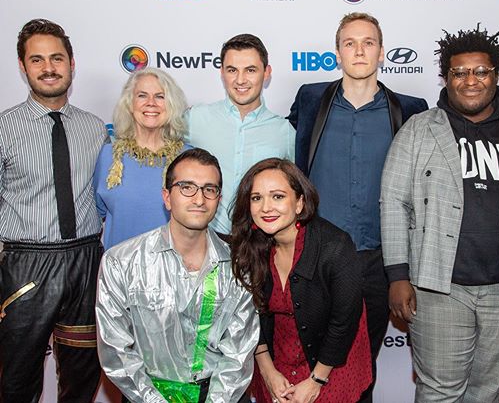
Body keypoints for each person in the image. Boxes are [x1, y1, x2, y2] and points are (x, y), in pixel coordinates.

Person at [287, 12, 499, 400]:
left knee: (362, 367)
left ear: (382, 52)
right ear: (336, 52)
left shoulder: (410, 109)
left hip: (377, 258)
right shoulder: (310, 98)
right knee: (309, 359)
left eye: (369, 42)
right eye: (350, 43)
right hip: (318, 254)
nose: (359, 50)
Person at [380, 26, 499, 402]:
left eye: (481, 72)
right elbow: (394, 202)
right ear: (446, 78)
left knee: (488, 391)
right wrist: (397, 275)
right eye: (459, 73)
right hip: (438, 286)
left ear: (496, 75)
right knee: (440, 391)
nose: (470, 81)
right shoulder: (418, 130)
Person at [96, 148, 259, 403]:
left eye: (209, 189)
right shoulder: (122, 262)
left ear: (218, 198)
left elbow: (238, 354)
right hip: (146, 395)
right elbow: (116, 351)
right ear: (167, 197)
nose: (199, 199)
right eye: (186, 187)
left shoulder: (239, 266)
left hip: (219, 396)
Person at [0, 18, 107, 402]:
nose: (49, 68)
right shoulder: (4, 129)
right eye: (38, 60)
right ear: (23, 66)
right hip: (25, 264)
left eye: (57, 58)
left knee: (83, 376)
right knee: (18, 376)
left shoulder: (96, 129)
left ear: (72, 63)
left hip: (86, 260)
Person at [230, 158, 371, 403]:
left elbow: (344, 322)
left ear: (299, 203)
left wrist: (316, 381)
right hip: (277, 357)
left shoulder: (335, 247)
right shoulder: (252, 246)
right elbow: (252, 317)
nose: (266, 207)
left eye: (277, 197)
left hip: (332, 359)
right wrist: (268, 372)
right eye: (256, 198)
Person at [186, 34, 295, 240]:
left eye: (250, 70)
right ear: (222, 73)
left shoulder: (285, 132)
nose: (240, 80)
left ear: (267, 73)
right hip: (204, 241)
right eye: (232, 70)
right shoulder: (195, 118)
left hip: (260, 244)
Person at [93, 68, 191, 249]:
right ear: (130, 104)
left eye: (160, 96)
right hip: (120, 271)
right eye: (142, 96)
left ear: (171, 105)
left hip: (174, 271)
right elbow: (97, 216)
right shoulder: (109, 156)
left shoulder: (188, 158)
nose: (151, 103)